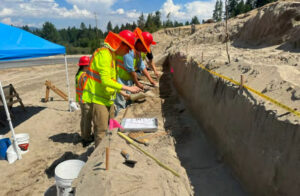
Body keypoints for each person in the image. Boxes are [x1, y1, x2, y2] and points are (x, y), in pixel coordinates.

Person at [81, 30, 141, 147]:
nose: (128, 51)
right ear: (121, 44)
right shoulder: (104, 54)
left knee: (112, 125)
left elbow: (112, 80)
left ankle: (110, 148)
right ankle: (100, 158)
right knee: (101, 131)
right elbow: (105, 80)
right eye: (128, 48)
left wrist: (122, 92)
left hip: (108, 98)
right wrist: (128, 87)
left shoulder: (112, 56)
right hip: (98, 99)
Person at [114, 28, 157, 115]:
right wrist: (137, 84)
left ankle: (126, 120)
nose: (146, 49)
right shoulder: (128, 50)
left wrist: (151, 80)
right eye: (145, 46)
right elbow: (131, 70)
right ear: (140, 43)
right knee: (121, 104)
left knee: (129, 101)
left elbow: (141, 66)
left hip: (128, 80)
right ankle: (117, 124)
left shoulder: (138, 52)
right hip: (119, 79)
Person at [75, 56, 93, 146]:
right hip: (85, 100)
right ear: (85, 66)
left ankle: (83, 135)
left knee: (84, 119)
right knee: (87, 120)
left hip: (80, 99)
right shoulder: (84, 75)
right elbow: (88, 88)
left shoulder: (79, 74)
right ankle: (87, 137)